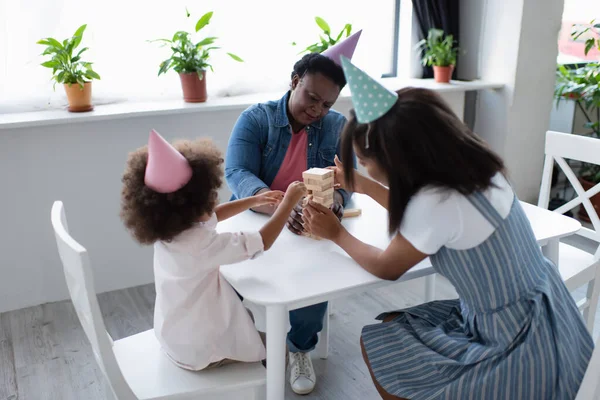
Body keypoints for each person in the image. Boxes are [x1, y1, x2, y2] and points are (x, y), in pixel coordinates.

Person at [302, 57, 594, 399]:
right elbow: (424, 212)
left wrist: (336, 233)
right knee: (395, 325)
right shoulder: (472, 167)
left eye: (364, 162)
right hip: (541, 305)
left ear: (397, 156)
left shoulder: (437, 202)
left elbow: (387, 267)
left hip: (511, 336)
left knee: (379, 340)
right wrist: (362, 185)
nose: (363, 167)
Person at [224, 31, 361, 394]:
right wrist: (274, 202)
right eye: (312, 98)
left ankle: (300, 348)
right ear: (295, 81)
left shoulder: (335, 127)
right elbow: (236, 172)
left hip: (308, 220)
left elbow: (348, 179)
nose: (317, 110)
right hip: (260, 216)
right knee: (227, 275)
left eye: (326, 104)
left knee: (315, 273)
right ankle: (239, 339)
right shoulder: (256, 119)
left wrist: (333, 202)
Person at [119, 129, 307, 371]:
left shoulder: (170, 232)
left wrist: (254, 200)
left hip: (174, 334)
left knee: (247, 321)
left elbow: (213, 215)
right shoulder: (200, 244)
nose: (213, 201)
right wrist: (290, 201)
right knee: (278, 347)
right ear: (192, 205)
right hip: (200, 348)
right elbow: (263, 240)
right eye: (209, 198)